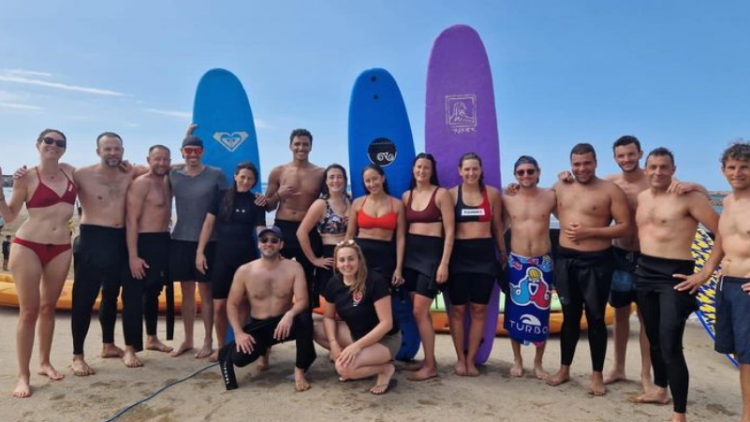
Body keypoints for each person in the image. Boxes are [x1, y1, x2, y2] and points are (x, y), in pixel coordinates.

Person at [632, 147, 720, 422]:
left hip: (675, 276)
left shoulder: (688, 197)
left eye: (664, 167)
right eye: (653, 167)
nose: (658, 172)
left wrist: (705, 272)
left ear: (673, 169)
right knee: (654, 339)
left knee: (670, 343)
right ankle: (660, 390)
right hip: (644, 271)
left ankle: (679, 412)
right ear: (646, 170)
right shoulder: (642, 197)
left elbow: (722, 232)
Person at [546, 143, 631, 396]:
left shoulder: (609, 190)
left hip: (598, 262)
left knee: (595, 318)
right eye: (577, 164)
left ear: (595, 163)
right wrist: (516, 188)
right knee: (570, 317)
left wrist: (590, 232)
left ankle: (596, 375)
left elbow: (625, 226)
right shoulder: (560, 187)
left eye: (587, 163)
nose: (581, 168)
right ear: (570, 164)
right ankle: (564, 368)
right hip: (566, 260)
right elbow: (538, 203)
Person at [0, 129, 74, 397]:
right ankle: (23, 375)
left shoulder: (70, 172)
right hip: (28, 246)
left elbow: (102, 174)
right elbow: (9, 217)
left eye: (60, 143)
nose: (54, 146)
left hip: (62, 247)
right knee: (29, 310)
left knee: (48, 307)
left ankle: (44, 363)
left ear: (65, 148)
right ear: (38, 144)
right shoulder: (27, 177)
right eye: (49, 141)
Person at [67, 132, 145, 374]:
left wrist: (189, 150)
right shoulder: (81, 174)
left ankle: (119, 346)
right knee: (83, 299)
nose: (113, 153)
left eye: (117, 149)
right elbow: (49, 174)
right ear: (98, 151)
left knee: (125, 296)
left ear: (123, 150)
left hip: (122, 241)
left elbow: (161, 166)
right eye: (108, 149)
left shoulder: (130, 172)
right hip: (92, 240)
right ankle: (77, 355)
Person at [218, 226, 317, 392]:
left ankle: (300, 371)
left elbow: (303, 301)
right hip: (259, 326)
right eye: (264, 240)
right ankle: (264, 351)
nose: (268, 244)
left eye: (274, 240)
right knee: (239, 359)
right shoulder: (245, 271)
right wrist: (239, 333)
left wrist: (289, 315)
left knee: (304, 318)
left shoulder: (294, 268)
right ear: (258, 244)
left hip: (283, 323)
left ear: (281, 244)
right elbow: (232, 304)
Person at [196, 162, 266, 361]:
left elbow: (260, 229)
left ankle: (238, 344)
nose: (245, 181)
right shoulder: (220, 196)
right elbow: (208, 224)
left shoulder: (256, 202)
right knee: (220, 306)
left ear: (254, 182)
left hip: (246, 260)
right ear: (235, 176)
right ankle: (222, 346)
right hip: (222, 258)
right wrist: (200, 252)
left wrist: (270, 245)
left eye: (250, 179)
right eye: (242, 177)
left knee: (244, 304)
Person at [169, 127, 229, 358]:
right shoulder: (174, 175)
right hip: (181, 238)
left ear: (203, 152)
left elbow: (226, 205)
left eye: (196, 150)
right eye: (188, 150)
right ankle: (187, 339)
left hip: (209, 242)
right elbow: (157, 166)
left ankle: (207, 340)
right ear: (182, 152)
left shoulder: (216, 174)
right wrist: (184, 134)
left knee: (206, 292)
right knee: (185, 293)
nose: (192, 154)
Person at [447, 152, 506, 377]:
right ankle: (460, 360)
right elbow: (448, 231)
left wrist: (503, 253)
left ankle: (471, 360)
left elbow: (498, 227)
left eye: (475, 169)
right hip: (459, 258)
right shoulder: (452, 195)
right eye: (467, 169)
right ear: (460, 171)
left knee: (479, 309)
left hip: (484, 257)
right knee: (458, 310)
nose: (471, 173)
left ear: (481, 170)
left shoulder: (491, 194)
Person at [501, 156, 556, 380]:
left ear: (538, 171)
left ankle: (538, 363)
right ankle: (517, 360)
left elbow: (569, 210)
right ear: (515, 174)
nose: (526, 176)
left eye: (530, 171)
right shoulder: (508, 198)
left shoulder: (550, 196)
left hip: (543, 262)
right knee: (515, 312)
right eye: (521, 172)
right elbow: (500, 225)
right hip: (517, 261)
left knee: (542, 312)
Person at [401, 153, 454, 381]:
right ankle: (427, 359)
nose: (422, 171)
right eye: (418, 167)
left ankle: (431, 366)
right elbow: (402, 232)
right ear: (413, 169)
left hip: (431, 257)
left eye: (426, 167)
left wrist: (444, 263)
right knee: (419, 312)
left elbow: (451, 231)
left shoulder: (441, 194)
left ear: (432, 171)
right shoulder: (406, 196)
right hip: (411, 257)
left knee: (419, 311)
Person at [323, 240, 400, 394]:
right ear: (336, 263)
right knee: (315, 328)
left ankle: (385, 368)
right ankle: (358, 359)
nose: (347, 264)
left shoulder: (375, 281)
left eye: (351, 259)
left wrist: (356, 347)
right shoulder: (334, 283)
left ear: (359, 259)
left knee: (343, 369)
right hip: (356, 334)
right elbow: (328, 317)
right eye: (342, 260)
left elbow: (386, 323)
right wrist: (333, 344)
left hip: (384, 340)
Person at [265, 129, 325, 306]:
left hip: (308, 231)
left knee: (306, 280)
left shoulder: (320, 173)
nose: (301, 148)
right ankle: (276, 324)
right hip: (283, 229)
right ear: (290, 145)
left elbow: (330, 200)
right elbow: (268, 207)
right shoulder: (278, 171)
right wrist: (278, 194)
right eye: (297, 144)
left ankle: (304, 327)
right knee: (276, 276)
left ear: (311, 147)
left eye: (305, 144)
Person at [126, 145, 174, 361]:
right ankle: (131, 349)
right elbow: (131, 221)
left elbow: (186, 162)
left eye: (165, 159)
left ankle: (152, 338)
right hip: (144, 241)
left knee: (154, 292)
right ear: (148, 159)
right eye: (157, 159)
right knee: (136, 295)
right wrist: (133, 255)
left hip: (163, 241)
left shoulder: (167, 180)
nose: (161, 163)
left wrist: (188, 134)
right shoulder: (141, 183)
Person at [715, 142, 750, 422]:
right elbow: (722, 241)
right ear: (723, 169)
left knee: (749, 357)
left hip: (747, 288)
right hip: (726, 284)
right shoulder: (727, 201)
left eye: (745, 167)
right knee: (740, 353)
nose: (737, 173)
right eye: (732, 167)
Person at [296, 164, 350, 301]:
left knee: (349, 298)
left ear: (345, 180)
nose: (336, 180)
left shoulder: (350, 199)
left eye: (339, 177)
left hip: (349, 253)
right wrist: (314, 259)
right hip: (330, 255)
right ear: (326, 181)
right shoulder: (321, 204)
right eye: (331, 177)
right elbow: (301, 232)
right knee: (332, 299)